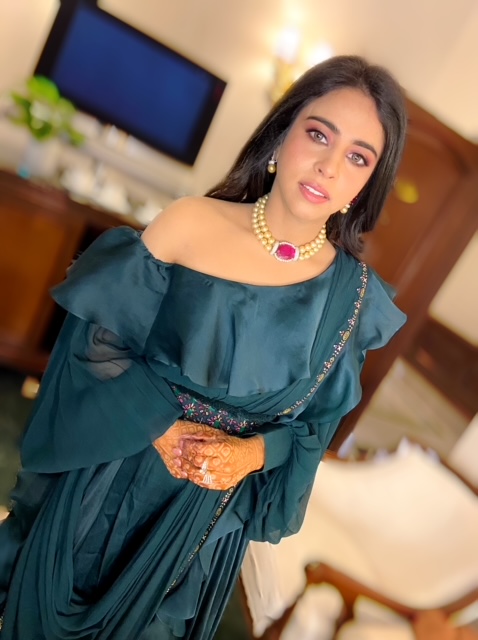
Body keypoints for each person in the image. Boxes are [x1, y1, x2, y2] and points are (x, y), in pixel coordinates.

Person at [0, 55, 408, 639]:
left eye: (358, 157)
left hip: (197, 533)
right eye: (320, 134)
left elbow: (310, 434)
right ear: (281, 134)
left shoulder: (354, 299)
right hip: (108, 481)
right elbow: (94, 348)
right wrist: (162, 428)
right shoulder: (189, 223)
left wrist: (251, 454)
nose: (329, 166)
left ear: (367, 183)